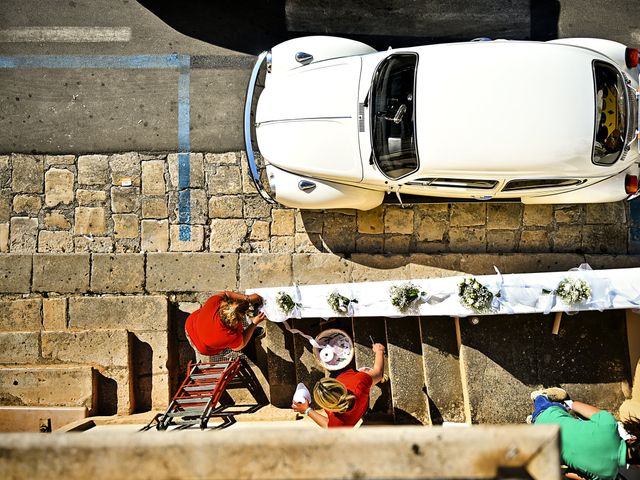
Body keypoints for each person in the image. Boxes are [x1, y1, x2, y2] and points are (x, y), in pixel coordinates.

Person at [528, 387, 640, 479]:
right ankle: (533, 422)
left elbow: (576, 405)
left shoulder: (610, 425)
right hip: (540, 447)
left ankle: (540, 396)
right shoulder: (606, 477)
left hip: (547, 412)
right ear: (637, 465)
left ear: (632, 439)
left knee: (552, 406)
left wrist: (568, 403)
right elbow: (569, 474)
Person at [291, 343, 386, 428]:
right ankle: (371, 379)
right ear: (338, 385)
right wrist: (379, 351)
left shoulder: (338, 423)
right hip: (361, 391)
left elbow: (327, 425)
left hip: (362, 410)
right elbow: (379, 372)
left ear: (327, 406)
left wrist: (308, 410)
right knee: (366, 376)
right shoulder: (359, 382)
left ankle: (370, 380)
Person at [185, 291, 266, 356]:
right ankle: (229, 352)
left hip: (190, 325)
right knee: (233, 345)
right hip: (201, 347)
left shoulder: (214, 302)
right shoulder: (229, 336)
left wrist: (247, 298)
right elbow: (240, 345)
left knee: (234, 340)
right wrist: (254, 323)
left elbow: (225, 294)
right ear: (237, 322)